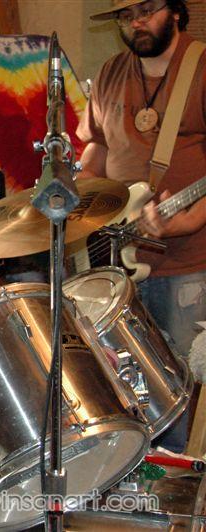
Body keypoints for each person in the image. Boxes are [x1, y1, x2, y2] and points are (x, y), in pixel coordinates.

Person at [77, 0, 206, 451]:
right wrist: (79, 194)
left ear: (176, 11)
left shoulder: (201, 68)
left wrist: (187, 220)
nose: (136, 21)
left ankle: (185, 482)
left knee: (185, 391)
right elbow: (95, 148)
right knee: (127, 389)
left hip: (188, 265)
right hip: (116, 267)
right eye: (125, 14)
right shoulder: (111, 72)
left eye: (147, 8)